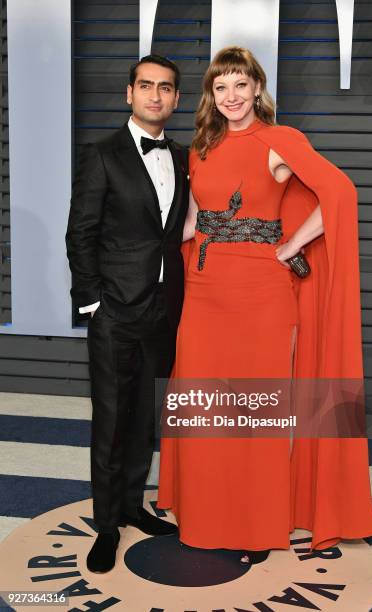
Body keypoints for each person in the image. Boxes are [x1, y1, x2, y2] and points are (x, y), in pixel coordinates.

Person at [157, 46, 372, 564]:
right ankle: (206, 514)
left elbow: (339, 194)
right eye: (221, 87)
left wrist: (291, 245)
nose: (232, 97)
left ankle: (255, 524)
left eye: (241, 84)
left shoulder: (280, 140)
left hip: (261, 295)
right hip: (205, 290)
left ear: (257, 87)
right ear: (211, 96)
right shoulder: (203, 146)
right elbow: (193, 221)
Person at [66, 54, 189, 573]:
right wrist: (94, 302)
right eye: (145, 86)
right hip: (114, 310)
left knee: (144, 419)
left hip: (164, 311)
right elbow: (81, 233)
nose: (155, 95)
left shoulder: (184, 156)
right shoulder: (102, 154)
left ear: (177, 99)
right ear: (128, 94)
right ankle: (106, 525)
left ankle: (134, 504)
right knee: (111, 420)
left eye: (165, 88)